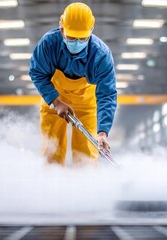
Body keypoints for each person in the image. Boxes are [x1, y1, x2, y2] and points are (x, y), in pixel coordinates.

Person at [29, 2, 117, 166]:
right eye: (71, 37)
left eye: (82, 38)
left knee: (86, 157)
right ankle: (51, 186)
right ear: (62, 29)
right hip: (54, 101)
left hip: (86, 106)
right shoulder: (48, 45)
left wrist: (103, 132)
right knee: (51, 151)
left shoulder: (101, 56)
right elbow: (37, 72)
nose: (76, 42)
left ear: (91, 32)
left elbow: (107, 95)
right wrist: (56, 102)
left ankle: (84, 188)